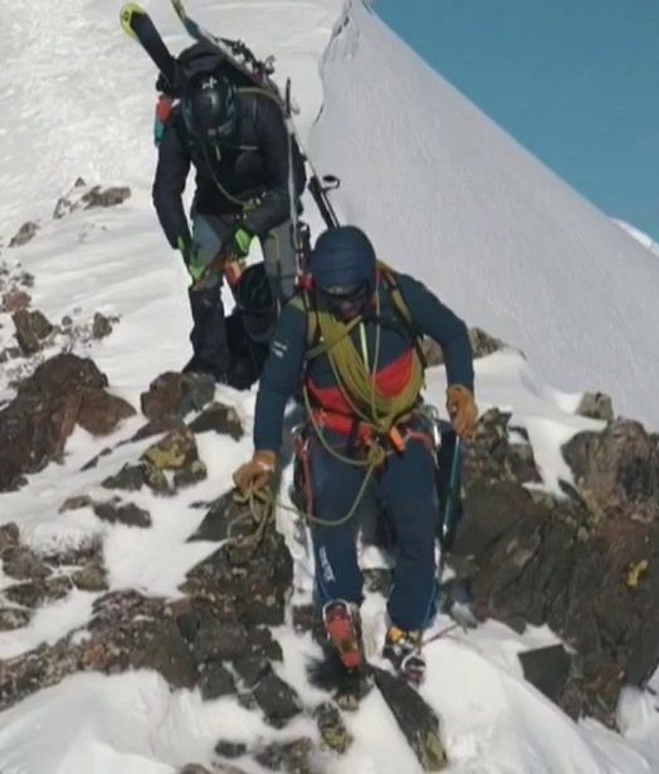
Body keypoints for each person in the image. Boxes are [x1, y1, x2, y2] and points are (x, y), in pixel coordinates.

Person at [232, 226, 479, 686]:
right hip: (336, 432)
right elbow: (274, 386)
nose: (343, 304)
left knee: (418, 521)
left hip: (400, 430)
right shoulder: (304, 313)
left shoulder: (399, 293)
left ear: (369, 280)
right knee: (330, 513)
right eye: (334, 296)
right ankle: (339, 603)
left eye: (352, 295)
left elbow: (453, 333)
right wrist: (266, 453)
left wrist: (461, 387)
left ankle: (405, 625)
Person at [152, 47, 301, 381]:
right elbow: (165, 191)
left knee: (285, 279)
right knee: (202, 283)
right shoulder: (180, 126)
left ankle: (297, 359)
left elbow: (291, 185)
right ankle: (211, 365)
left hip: (268, 201)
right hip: (215, 204)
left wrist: (249, 228)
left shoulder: (263, 111)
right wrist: (182, 240)